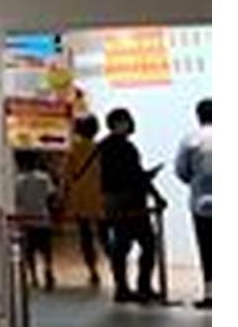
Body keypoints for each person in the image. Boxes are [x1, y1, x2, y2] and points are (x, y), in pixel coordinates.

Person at [97, 107, 160, 304]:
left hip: (113, 202)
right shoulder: (125, 147)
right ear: (117, 123)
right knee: (147, 244)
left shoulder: (102, 146)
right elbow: (136, 175)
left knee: (121, 247)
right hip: (131, 203)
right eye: (125, 121)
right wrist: (156, 195)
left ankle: (123, 288)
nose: (129, 124)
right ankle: (142, 287)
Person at [174, 99, 211, 310]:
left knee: (207, 249)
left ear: (198, 116)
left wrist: (195, 182)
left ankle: (210, 294)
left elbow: (181, 170)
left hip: (202, 203)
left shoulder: (190, 139)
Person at [62, 113, 106, 290]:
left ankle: (93, 270)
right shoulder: (100, 148)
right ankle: (114, 265)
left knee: (85, 236)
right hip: (99, 196)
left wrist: (62, 197)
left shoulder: (73, 148)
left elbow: (66, 175)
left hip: (79, 197)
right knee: (104, 234)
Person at [11, 153, 57, 291]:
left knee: (29, 250)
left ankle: (33, 276)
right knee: (46, 249)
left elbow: (16, 199)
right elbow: (51, 196)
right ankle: (48, 270)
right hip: (42, 217)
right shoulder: (44, 178)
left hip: (25, 219)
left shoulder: (18, 181)